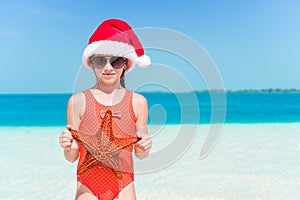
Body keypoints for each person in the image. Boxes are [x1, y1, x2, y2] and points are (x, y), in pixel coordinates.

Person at [59, 19, 152, 200]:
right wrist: (68, 146)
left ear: (126, 63)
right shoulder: (77, 101)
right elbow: (71, 157)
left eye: (116, 61)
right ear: (91, 62)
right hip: (87, 187)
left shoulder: (138, 102)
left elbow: (140, 154)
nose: (108, 67)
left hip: (124, 186)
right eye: (101, 60)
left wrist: (145, 145)